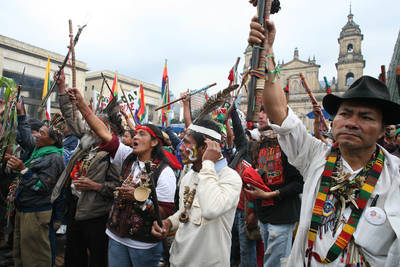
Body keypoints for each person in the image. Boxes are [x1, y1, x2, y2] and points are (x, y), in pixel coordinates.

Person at [249, 17, 400, 266]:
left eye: (365, 117)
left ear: (384, 130)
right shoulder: (316, 156)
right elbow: (279, 112)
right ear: (335, 120)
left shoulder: (394, 177)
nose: (352, 122)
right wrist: (267, 53)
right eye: (345, 113)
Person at [67, 87, 179, 267]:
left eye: (142, 134)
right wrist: (81, 104)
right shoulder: (127, 157)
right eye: (135, 134)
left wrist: (139, 198)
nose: (135, 137)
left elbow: (165, 213)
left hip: (142, 244)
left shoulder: (164, 172)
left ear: (155, 142)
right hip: (115, 237)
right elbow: (103, 133)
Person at [52, 72, 121, 267]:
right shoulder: (87, 141)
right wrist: (63, 89)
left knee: (98, 258)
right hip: (76, 208)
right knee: (73, 255)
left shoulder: (115, 155)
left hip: (97, 215)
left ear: (107, 131)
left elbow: (117, 187)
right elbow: (71, 118)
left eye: (96, 126)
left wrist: (95, 185)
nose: (90, 128)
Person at [151, 119, 242, 267]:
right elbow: (185, 212)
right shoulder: (188, 176)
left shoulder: (230, 178)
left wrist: (208, 163)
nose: (180, 148)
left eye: (187, 142)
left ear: (205, 148)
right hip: (178, 261)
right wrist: (169, 223)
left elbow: (211, 210)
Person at [245, 105, 303, 267]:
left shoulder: (289, 146)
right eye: (261, 111)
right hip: (264, 216)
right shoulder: (258, 145)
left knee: (276, 263)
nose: (261, 115)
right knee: (271, 260)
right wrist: (254, 211)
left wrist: (271, 195)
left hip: (283, 216)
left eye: (267, 111)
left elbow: (299, 184)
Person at [7, 112, 65, 267]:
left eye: (42, 133)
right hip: (25, 208)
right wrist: (20, 114)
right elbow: (25, 136)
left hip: (36, 212)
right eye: (38, 131)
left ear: (53, 139)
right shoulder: (38, 152)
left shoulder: (54, 158)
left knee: (35, 257)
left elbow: (42, 187)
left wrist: (23, 170)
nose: (37, 136)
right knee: (21, 253)